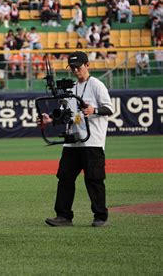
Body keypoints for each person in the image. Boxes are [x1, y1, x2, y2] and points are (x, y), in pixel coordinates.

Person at [38, 51, 114, 227]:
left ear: (87, 65)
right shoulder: (71, 88)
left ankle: (100, 217)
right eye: (72, 68)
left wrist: (93, 110)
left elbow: (109, 109)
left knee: (94, 179)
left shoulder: (97, 85)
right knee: (65, 178)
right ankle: (63, 216)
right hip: (72, 141)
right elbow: (68, 115)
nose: (75, 70)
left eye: (78, 67)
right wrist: (50, 119)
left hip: (92, 140)